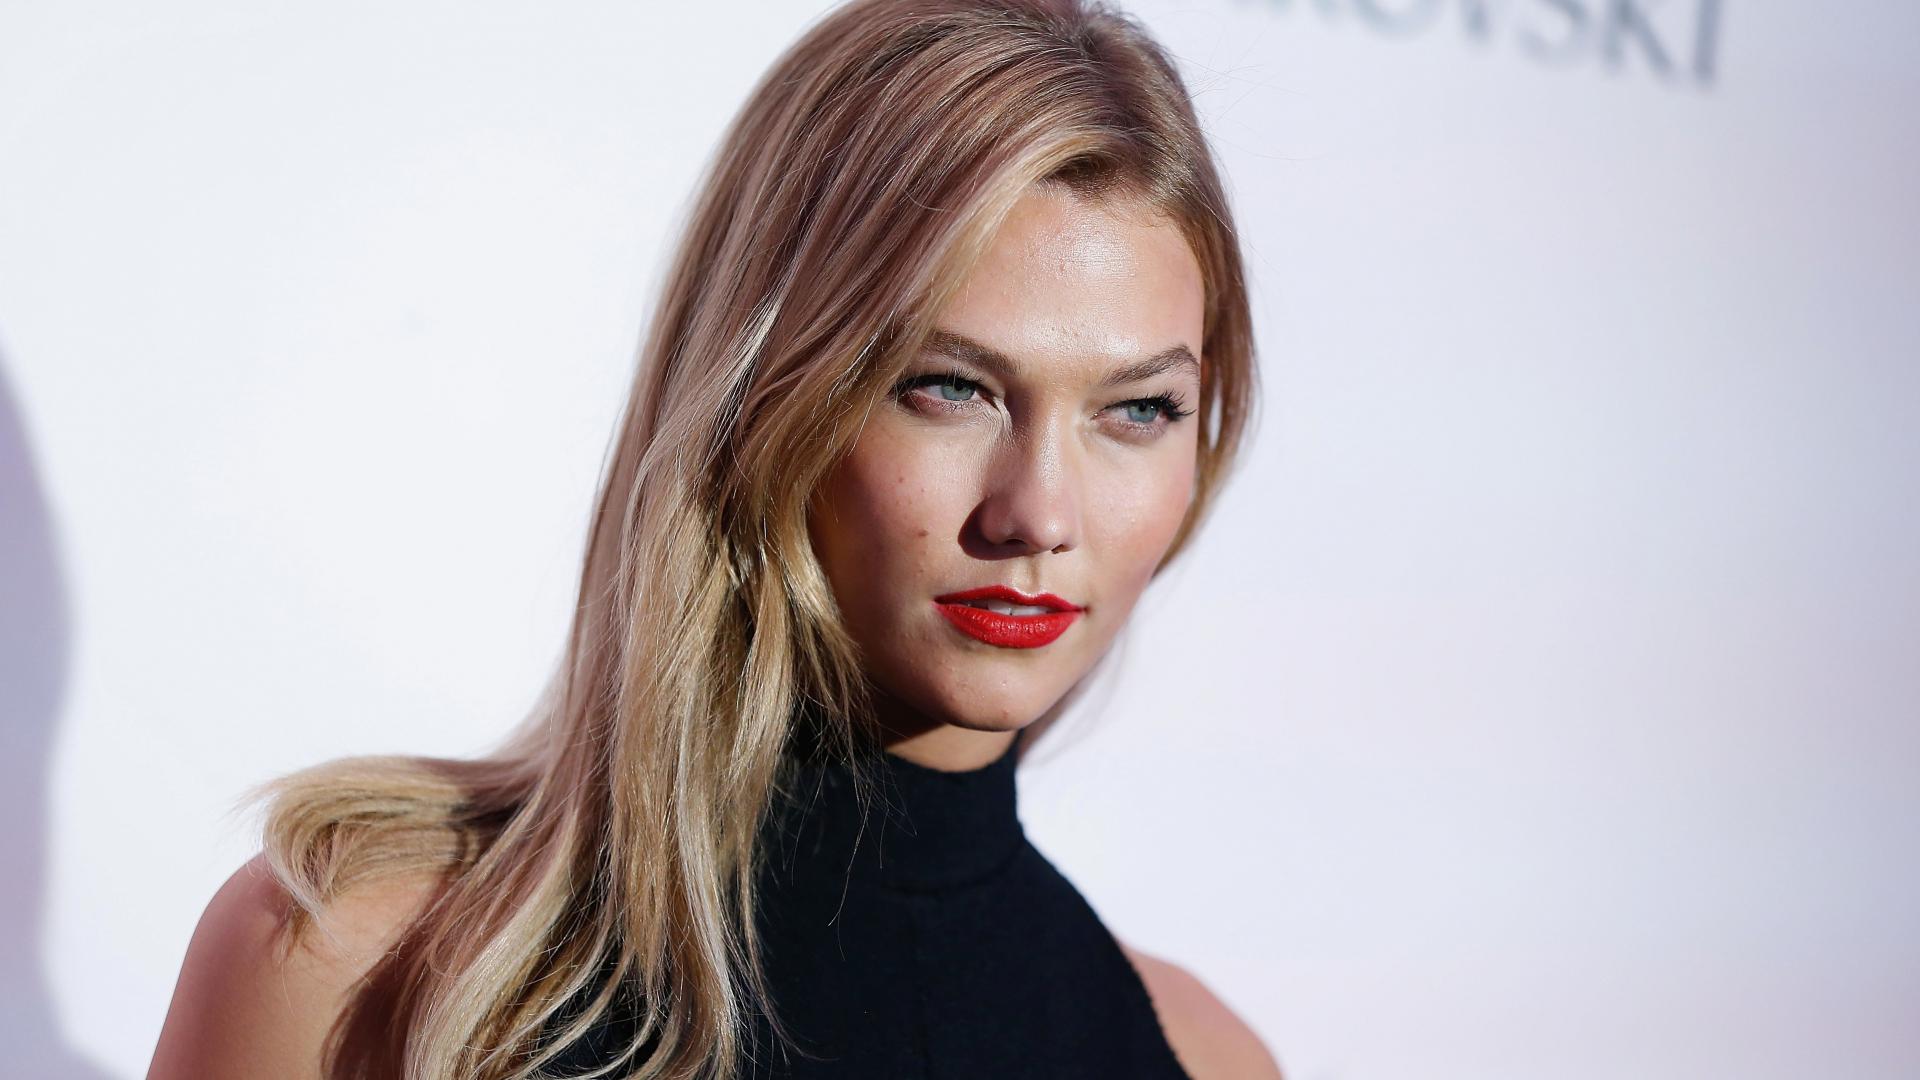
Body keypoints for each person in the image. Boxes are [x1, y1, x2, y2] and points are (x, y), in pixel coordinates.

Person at [148, 0, 1278, 1076]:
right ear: (764, 394)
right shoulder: (357, 969)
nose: (1039, 515)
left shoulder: (1211, 1059)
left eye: (1138, 410)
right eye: (947, 387)